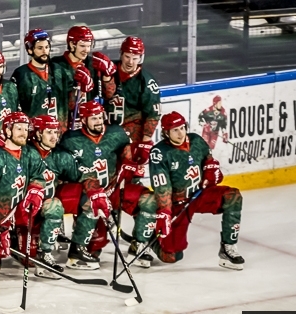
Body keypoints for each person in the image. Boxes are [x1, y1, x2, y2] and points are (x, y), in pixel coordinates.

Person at [59, 101, 157, 270]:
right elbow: (64, 169)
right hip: (88, 192)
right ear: (83, 120)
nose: (98, 121)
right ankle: (77, 252)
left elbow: (127, 154)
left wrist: (132, 163)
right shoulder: (70, 139)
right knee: (95, 246)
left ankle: (138, 246)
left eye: (99, 117)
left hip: (113, 189)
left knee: (148, 200)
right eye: (93, 118)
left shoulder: (116, 133)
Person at [150, 111, 244, 270]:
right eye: (175, 130)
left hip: (199, 195)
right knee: (171, 256)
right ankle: (149, 236)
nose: (180, 133)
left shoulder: (197, 141)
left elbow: (210, 164)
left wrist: (211, 171)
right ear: (166, 133)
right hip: (178, 204)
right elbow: (162, 187)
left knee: (232, 196)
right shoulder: (159, 153)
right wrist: (165, 213)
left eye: (182, 128)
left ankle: (228, 248)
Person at [0, 112, 54, 276]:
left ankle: (17, 242)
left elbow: (39, 175)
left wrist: (35, 191)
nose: (23, 133)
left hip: (13, 213)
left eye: (26, 129)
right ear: (8, 131)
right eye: (19, 128)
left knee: (29, 258)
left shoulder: (30, 153)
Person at [24, 115, 80, 269]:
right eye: (49, 132)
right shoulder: (26, 153)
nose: (54, 136)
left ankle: (45, 253)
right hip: (22, 207)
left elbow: (77, 177)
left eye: (56, 132)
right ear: (38, 133)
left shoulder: (61, 156)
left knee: (55, 206)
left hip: (44, 205)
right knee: (24, 258)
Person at [51, 25, 116, 130]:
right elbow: (57, 100)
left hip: (90, 127)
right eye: (82, 46)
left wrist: (107, 76)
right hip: (64, 128)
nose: (86, 50)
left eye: (89, 46)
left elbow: (109, 95)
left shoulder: (93, 64)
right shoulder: (57, 65)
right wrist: (80, 91)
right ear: (72, 44)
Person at [10, 29, 68, 132]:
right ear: (30, 50)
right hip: (34, 134)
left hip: (58, 133)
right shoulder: (21, 74)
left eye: (46, 47)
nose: (45, 51)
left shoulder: (58, 70)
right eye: (40, 48)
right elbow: (15, 106)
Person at [111, 36, 160, 148]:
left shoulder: (146, 81)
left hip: (133, 135)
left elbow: (153, 114)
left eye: (135, 58)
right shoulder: (108, 70)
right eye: (127, 57)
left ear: (141, 58)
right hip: (107, 132)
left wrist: (145, 143)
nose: (130, 62)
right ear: (121, 54)